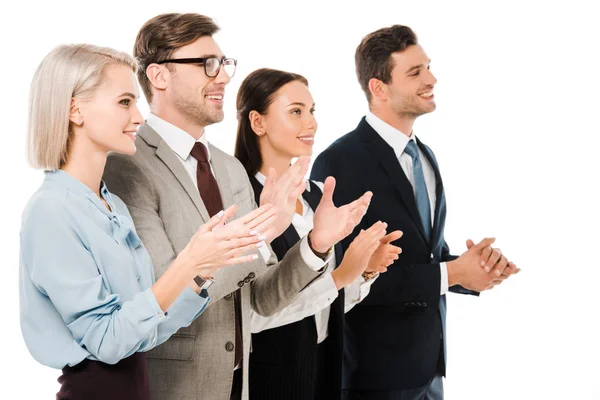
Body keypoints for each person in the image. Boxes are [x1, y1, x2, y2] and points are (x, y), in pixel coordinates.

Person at [103, 13, 372, 400]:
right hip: (175, 389)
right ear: (159, 76)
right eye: (206, 64)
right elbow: (163, 292)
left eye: (224, 64)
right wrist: (262, 233)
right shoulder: (127, 164)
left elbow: (261, 298)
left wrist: (314, 245)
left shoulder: (229, 168)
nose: (224, 77)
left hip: (242, 385)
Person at [19, 44, 274, 400]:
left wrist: (202, 271)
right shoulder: (51, 210)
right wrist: (187, 262)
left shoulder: (113, 205)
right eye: (125, 102)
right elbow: (108, 341)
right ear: (75, 109)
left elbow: (151, 328)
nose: (139, 117)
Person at [311, 25, 521, 400]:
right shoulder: (339, 161)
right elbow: (340, 282)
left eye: (428, 67)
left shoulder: (425, 155)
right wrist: (451, 272)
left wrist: (473, 269)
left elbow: (427, 258)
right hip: (371, 377)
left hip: (429, 370)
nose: (432, 79)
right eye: (415, 72)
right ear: (379, 88)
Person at [234, 68, 403, 400]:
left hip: (324, 368)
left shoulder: (315, 196)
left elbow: (324, 306)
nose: (311, 123)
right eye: (296, 111)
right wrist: (341, 276)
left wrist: (364, 269)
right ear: (258, 122)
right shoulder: (240, 199)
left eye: (312, 112)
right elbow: (252, 311)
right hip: (271, 378)